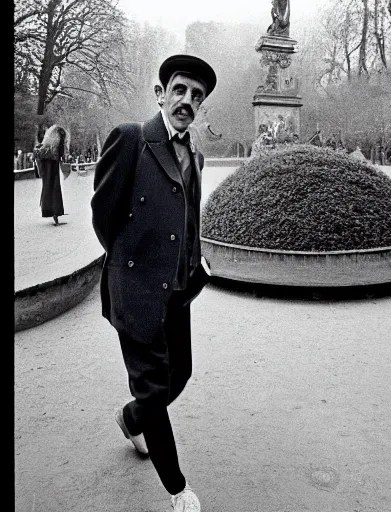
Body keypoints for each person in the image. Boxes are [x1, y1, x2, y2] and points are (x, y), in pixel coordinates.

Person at [90, 54, 217, 511]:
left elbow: (187, 219)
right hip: (138, 293)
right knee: (154, 391)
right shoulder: (131, 139)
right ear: (161, 93)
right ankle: (178, 491)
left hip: (178, 292)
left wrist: (193, 265)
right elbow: (103, 218)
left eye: (196, 96)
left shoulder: (196, 154)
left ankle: (130, 418)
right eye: (180, 90)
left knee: (178, 374)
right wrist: (132, 267)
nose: (187, 101)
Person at [33, 125, 67, 226]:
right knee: (55, 188)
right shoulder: (59, 133)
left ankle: (50, 211)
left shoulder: (45, 144)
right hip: (53, 163)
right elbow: (60, 149)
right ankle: (55, 213)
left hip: (46, 163)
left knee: (47, 187)